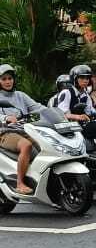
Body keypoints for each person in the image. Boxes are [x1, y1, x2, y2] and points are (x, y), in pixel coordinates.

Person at [0, 64, 42, 194]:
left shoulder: (20, 95)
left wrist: (56, 113)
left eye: (10, 78)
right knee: (26, 145)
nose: (8, 82)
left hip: (25, 130)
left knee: (44, 149)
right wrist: (6, 117)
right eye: (4, 79)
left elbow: (38, 108)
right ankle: (20, 183)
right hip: (5, 133)